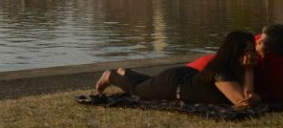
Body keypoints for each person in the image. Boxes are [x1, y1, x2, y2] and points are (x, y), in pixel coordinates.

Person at [94, 31, 260, 107]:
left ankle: (126, 72)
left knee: (148, 82)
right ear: (233, 52)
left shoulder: (237, 69)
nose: (250, 55)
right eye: (245, 51)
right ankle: (111, 75)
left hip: (185, 77)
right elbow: (243, 102)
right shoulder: (221, 72)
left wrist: (249, 71)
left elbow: (247, 97)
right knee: (138, 89)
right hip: (173, 84)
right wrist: (250, 71)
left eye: (252, 50)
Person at [186, 24, 283, 103]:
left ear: (270, 51)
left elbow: (282, 93)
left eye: (262, 42)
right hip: (202, 69)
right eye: (259, 38)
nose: (257, 41)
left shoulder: (279, 65)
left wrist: (260, 97)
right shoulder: (254, 43)